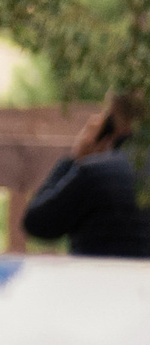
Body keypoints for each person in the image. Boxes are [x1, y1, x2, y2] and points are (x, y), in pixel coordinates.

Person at [22, 90, 150, 257]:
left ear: (110, 122)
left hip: (95, 280)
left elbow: (36, 223)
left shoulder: (94, 174)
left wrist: (74, 160)